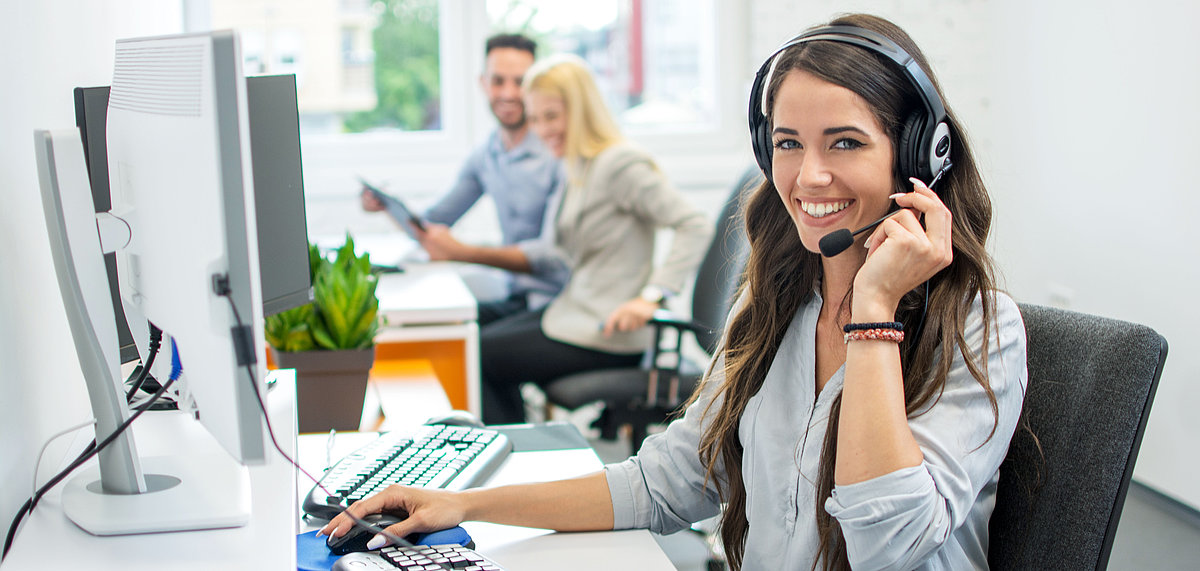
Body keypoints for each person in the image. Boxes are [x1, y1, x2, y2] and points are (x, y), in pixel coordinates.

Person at [321, 14, 1027, 571]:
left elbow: (889, 548)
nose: (809, 177)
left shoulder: (980, 327)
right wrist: (465, 504)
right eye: (787, 144)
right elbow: (664, 483)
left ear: (917, 155)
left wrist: (873, 314)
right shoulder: (778, 304)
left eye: (844, 143)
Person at [417, 54, 712, 425]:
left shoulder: (620, 164)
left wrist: (651, 296)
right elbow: (554, 248)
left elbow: (693, 223)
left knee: (479, 357)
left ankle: (511, 464)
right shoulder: (576, 165)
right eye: (535, 118)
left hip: (608, 332)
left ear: (582, 111)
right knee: (472, 344)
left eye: (552, 117)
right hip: (576, 313)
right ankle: (515, 452)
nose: (541, 129)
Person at [361, 33, 564, 325]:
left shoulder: (556, 152)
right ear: (483, 83)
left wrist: (461, 252)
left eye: (519, 82)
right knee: (431, 329)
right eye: (498, 81)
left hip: (555, 304)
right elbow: (434, 223)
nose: (508, 93)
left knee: (470, 349)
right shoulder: (487, 155)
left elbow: (552, 254)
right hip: (516, 297)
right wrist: (386, 206)